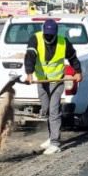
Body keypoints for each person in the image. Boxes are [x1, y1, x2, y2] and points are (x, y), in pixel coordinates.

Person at [24, 19, 82, 155]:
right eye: (46, 34)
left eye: (51, 34)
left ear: (55, 33)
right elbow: (30, 56)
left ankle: (55, 143)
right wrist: (29, 73)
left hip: (57, 81)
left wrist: (78, 72)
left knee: (54, 110)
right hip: (42, 81)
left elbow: (73, 57)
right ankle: (51, 138)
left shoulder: (63, 42)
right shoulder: (35, 39)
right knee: (47, 109)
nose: (48, 37)